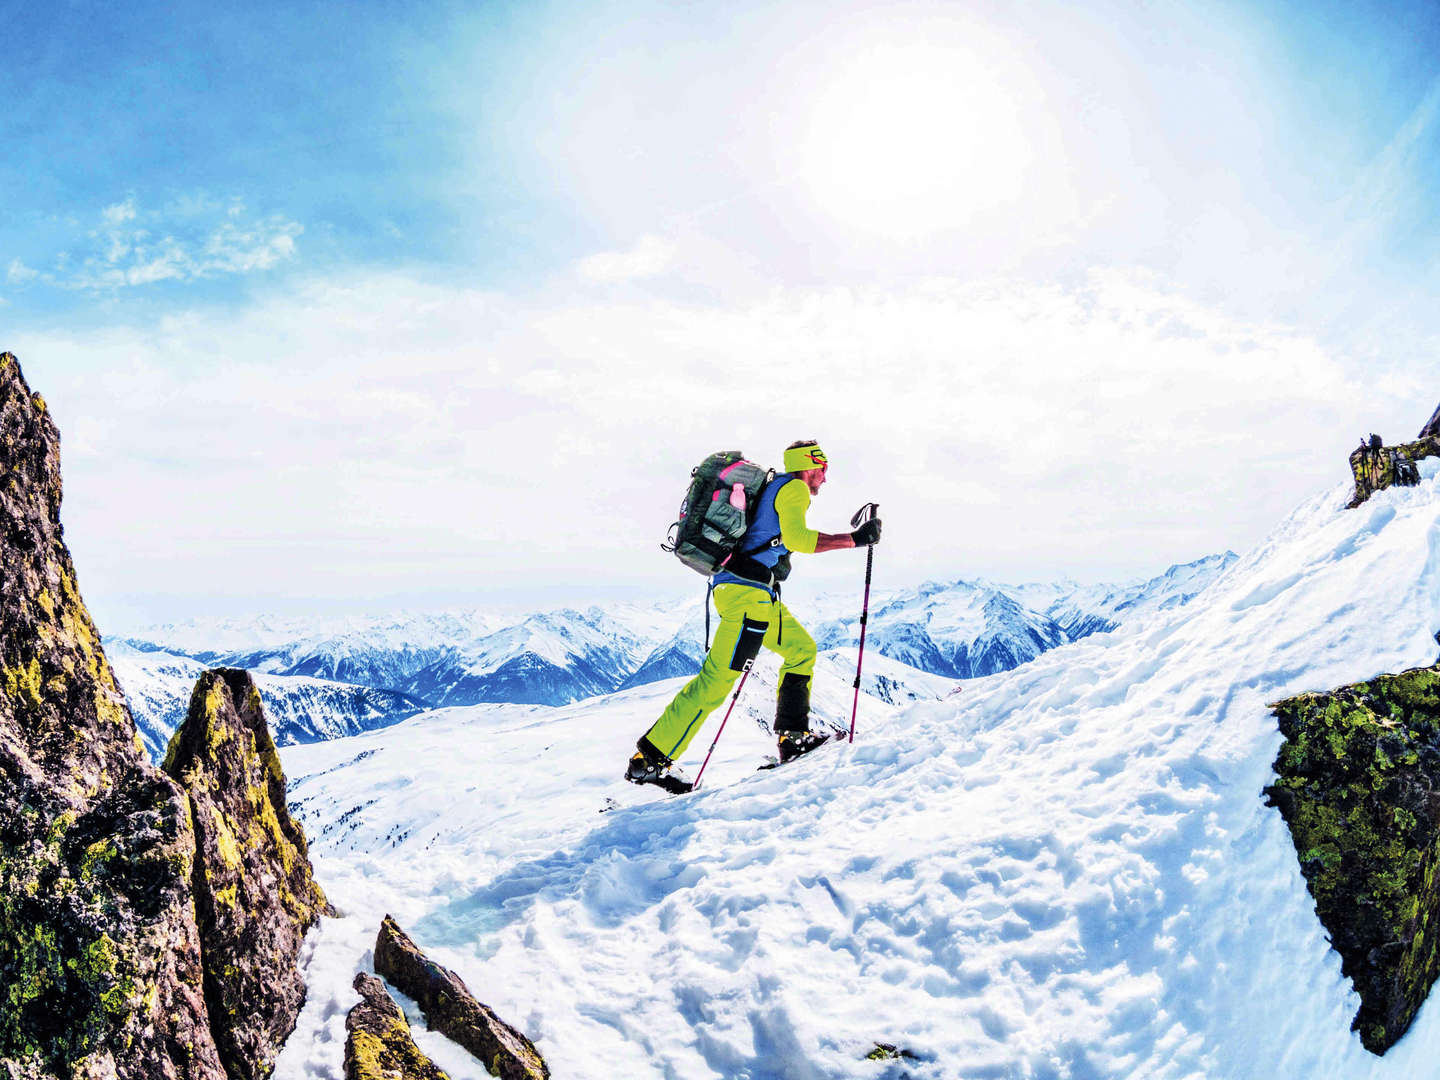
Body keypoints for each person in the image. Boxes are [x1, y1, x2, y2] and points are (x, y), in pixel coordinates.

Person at [625, 440, 882, 793]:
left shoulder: (777, 487)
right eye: (823, 469)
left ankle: (793, 737)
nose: (825, 478)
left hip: (753, 595)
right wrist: (854, 540)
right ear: (810, 465)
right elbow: (799, 538)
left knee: (800, 649)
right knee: (715, 682)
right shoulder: (793, 488)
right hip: (747, 597)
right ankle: (650, 761)